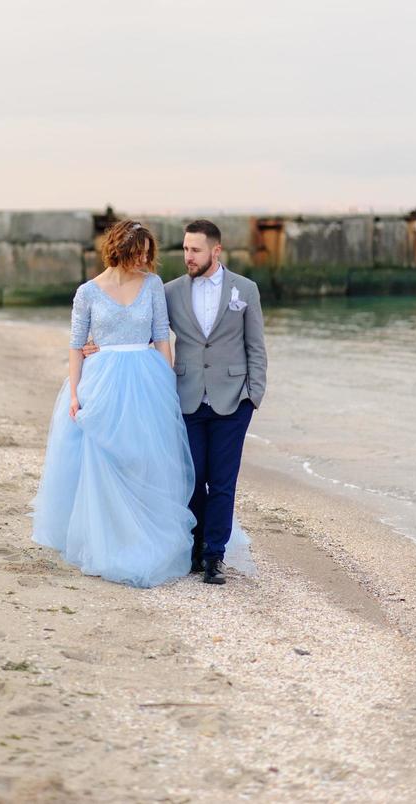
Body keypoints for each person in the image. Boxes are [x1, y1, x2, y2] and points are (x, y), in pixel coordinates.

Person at [30, 219, 196, 588]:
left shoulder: (152, 285)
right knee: (103, 457)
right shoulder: (87, 292)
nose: (144, 261)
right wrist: (75, 394)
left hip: (146, 376)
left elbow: (160, 337)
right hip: (102, 379)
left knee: (144, 456)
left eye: (147, 254)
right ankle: (108, 537)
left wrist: (167, 382)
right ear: (119, 250)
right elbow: (76, 345)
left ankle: (144, 534)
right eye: (137, 253)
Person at [164, 220, 267, 585]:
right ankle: (194, 546)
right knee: (193, 479)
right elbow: (146, 333)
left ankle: (213, 556)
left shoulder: (245, 289)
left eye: (195, 250)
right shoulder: (170, 292)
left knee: (223, 482)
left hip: (232, 400)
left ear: (216, 251)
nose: (188, 256)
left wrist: (253, 396)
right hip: (188, 398)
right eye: (185, 249)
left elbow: (256, 347)